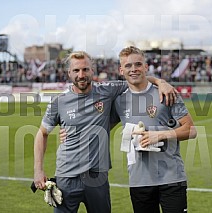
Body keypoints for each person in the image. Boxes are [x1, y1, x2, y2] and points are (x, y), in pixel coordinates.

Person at [33, 50, 177, 213]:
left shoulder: (107, 90)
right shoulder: (59, 102)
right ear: (69, 73)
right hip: (66, 177)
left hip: (97, 177)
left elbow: (136, 79)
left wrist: (160, 81)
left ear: (92, 71)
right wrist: (38, 170)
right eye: (76, 70)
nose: (81, 74)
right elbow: (42, 133)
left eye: (85, 69)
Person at [112, 46, 197, 213]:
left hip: (172, 179)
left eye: (138, 64)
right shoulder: (119, 101)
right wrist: (69, 134)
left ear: (146, 67)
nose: (133, 69)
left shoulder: (166, 93)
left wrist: (160, 135)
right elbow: (99, 127)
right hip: (139, 181)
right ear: (121, 70)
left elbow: (192, 130)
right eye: (128, 66)